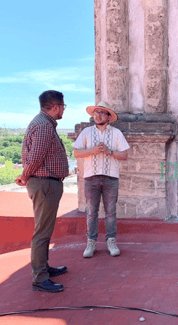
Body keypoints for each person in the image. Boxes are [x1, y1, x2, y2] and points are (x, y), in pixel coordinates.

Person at [15, 90, 69, 293]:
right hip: (45, 184)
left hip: (45, 183)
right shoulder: (45, 126)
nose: (64, 109)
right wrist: (26, 175)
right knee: (42, 232)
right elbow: (36, 157)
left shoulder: (42, 123)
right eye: (63, 106)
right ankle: (39, 277)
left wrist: (26, 176)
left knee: (44, 229)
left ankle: (43, 268)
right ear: (55, 106)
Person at [73, 101, 129, 258]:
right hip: (91, 177)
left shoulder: (117, 133)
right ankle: (91, 242)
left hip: (111, 177)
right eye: (96, 112)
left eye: (102, 112)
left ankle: (111, 241)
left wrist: (109, 151)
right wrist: (93, 150)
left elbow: (124, 155)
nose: (98, 115)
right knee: (91, 212)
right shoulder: (86, 132)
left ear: (109, 117)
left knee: (111, 212)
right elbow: (76, 153)